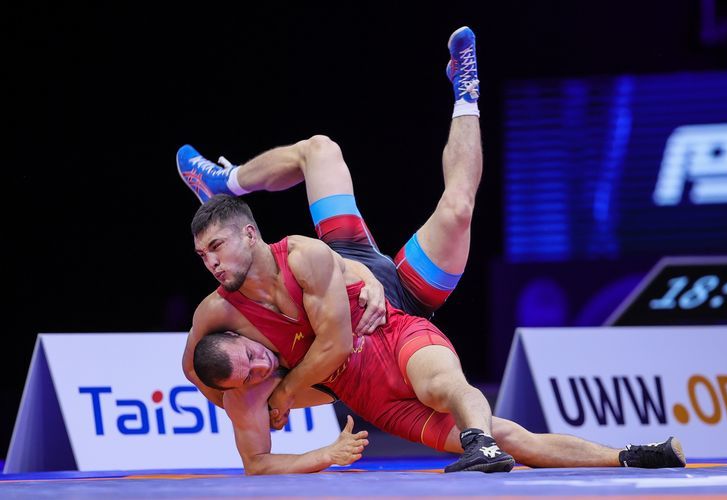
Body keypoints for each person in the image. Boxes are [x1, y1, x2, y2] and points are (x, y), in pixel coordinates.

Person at [177, 27, 686, 475]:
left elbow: (334, 335)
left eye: (217, 246)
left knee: (355, 164)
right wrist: (236, 397)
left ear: (249, 234)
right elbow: (197, 371)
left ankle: (464, 94)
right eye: (204, 256)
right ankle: (627, 454)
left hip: (368, 281)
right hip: (384, 335)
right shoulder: (227, 334)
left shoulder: (299, 258)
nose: (213, 263)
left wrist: (287, 390)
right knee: (499, 428)